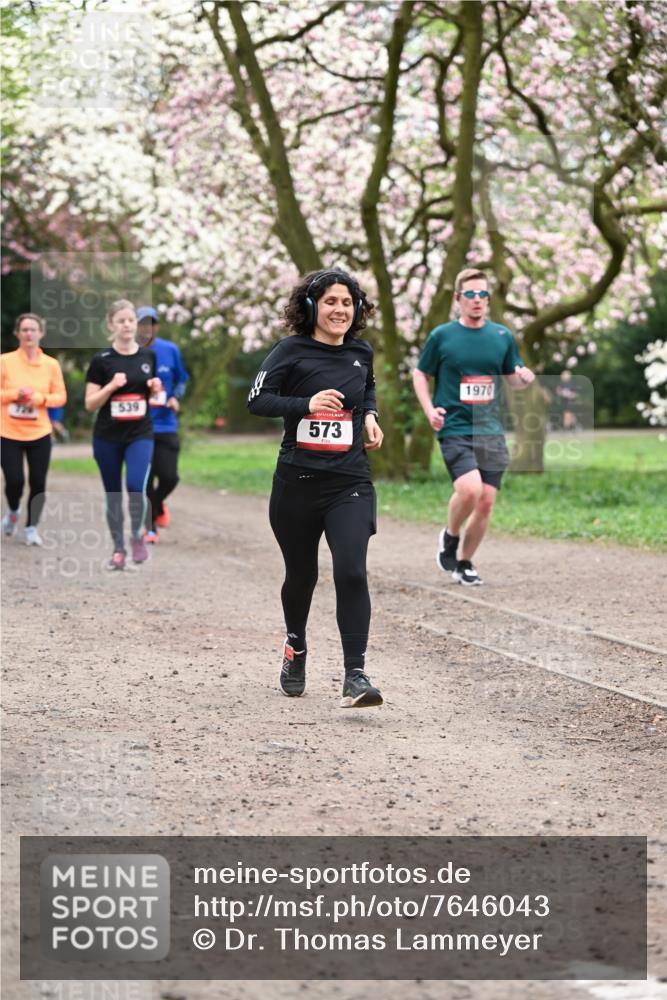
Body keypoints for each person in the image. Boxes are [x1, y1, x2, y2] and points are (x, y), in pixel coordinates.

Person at [247, 268, 384, 708]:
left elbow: (368, 388)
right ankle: (295, 647)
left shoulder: (361, 352)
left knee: (351, 570)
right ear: (311, 307)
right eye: (330, 302)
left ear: (357, 309)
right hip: (297, 483)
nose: (339, 310)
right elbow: (257, 400)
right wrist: (305, 403)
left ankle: (355, 675)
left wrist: (369, 416)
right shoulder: (290, 351)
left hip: (350, 482)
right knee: (302, 576)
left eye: (347, 302)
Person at [412, 268, 535, 586]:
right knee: (469, 489)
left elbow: (512, 376)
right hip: (454, 425)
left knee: (486, 501)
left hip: (490, 429)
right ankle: (450, 536)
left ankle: (464, 563)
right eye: (471, 294)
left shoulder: (502, 336)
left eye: (483, 294)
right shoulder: (442, 336)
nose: (477, 300)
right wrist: (429, 410)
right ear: (458, 299)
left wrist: (523, 378)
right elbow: (420, 374)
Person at [85, 300, 162, 570]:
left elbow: (151, 395)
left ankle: (136, 536)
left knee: (134, 485)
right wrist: (110, 387)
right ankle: (118, 548)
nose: (127, 325)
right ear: (112, 325)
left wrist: (154, 389)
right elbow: (90, 403)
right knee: (114, 494)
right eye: (121, 321)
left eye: (131, 320)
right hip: (107, 437)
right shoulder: (101, 360)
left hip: (139, 433)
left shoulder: (147, 356)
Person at [1, 313, 67, 545]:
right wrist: (14, 395)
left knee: (38, 482)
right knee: (15, 481)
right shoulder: (5, 361)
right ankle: (12, 510)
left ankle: (31, 528)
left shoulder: (51, 365)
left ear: (41, 333)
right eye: (25, 330)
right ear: (17, 333)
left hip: (39, 432)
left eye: (33, 329)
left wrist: (38, 398)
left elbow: (60, 397)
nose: (29, 334)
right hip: (8, 432)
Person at [135, 306, 189, 542]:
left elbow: (182, 379)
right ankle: (150, 528)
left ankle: (156, 505)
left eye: (151, 323)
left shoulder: (170, 350)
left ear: (156, 326)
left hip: (166, 424)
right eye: (142, 323)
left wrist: (176, 396)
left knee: (169, 477)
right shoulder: (129, 352)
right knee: (146, 478)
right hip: (138, 427)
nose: (146, 327)